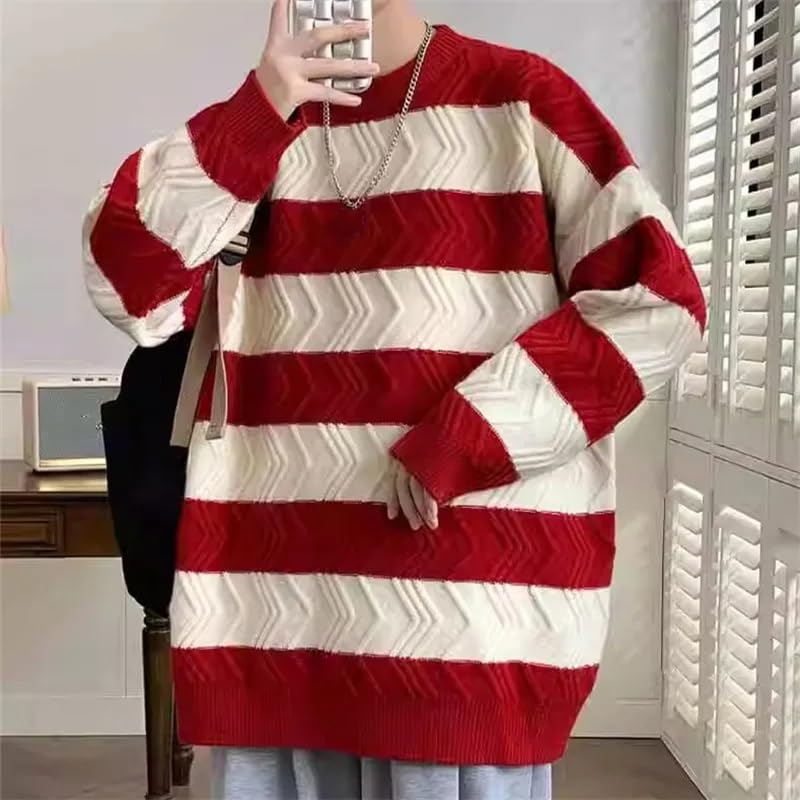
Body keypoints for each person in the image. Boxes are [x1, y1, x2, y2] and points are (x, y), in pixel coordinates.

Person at [83, 0, 706, 797]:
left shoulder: (521, 98)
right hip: (273, 614)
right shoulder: (252, 131)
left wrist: (468, 437)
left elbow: (658, 300)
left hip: (461, 623)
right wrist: (258, 110)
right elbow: (125, 286)